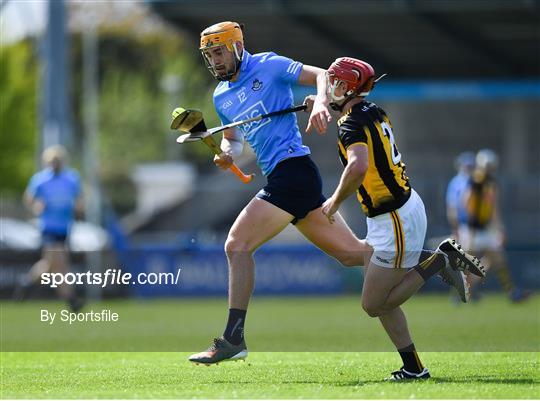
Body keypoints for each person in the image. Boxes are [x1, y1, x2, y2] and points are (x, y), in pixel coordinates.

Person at [188, 22, 483, 374]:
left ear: (236, 47)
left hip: (292, 173)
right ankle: (437, 260)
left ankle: (233, 339)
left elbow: (322, 75)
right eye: (209, 55)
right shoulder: (221, 95)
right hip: (289, 178)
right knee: (351, 255)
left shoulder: (268, 64)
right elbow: (232, 140)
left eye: (219, 52)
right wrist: (226, 153)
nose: (215, 60)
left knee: (236, 245)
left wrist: (321, 103)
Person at [304, 57, 485, 380]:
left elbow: (358, 166)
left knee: (374, 304)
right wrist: (322, 105)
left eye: (334, 82)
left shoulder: (350, 124)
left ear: (347, 87)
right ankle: (414, 368)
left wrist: (334, 201)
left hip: (394, 219)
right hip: (394, 214)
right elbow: (356, 127)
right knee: (357, 266)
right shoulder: (370, 110)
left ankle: (438, 261)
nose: (329, 86)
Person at [15, 145, 85, 312]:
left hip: (64, 227)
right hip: (49, 227)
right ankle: (71, 300)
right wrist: (36, 206)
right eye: (51, 162)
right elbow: (29, 199)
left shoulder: (71, 179)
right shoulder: (40, 180)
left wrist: (78, 208)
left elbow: (79, 199)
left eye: (57, 161)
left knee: (49, 265)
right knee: (60, 264)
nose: (55, 165)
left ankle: (27, 283)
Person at [461, 149, 530, 302]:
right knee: (469, 263)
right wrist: (471, 228)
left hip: (484, 230)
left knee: (497, 259)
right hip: (473, 229)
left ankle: (511, 292)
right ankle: (461, 294)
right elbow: (467, 203)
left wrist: (499, 228)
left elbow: (493, 208)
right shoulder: (476, 180)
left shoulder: (490, 182)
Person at [446, 152, 475, 241]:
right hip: (464, 226)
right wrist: (455, 229)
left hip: (481, 227)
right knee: (468, 252)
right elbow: (452, 208)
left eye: (471, 167)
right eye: (467, 166)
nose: (469, 169)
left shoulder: (478, 181)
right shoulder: (456, 183)